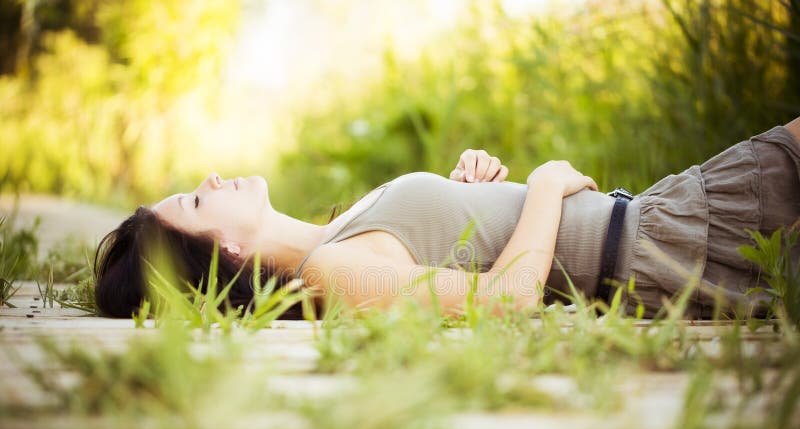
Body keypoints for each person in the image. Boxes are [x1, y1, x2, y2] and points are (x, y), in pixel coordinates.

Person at [94, 118, 800, 320]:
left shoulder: (335, 236)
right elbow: (508, 300)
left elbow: (471, 260)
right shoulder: (331, 271)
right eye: (193, 200)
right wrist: (547, 188)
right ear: (230, 254)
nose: (209, 181)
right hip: (675, 245)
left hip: (665, 217)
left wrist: (480, 195)